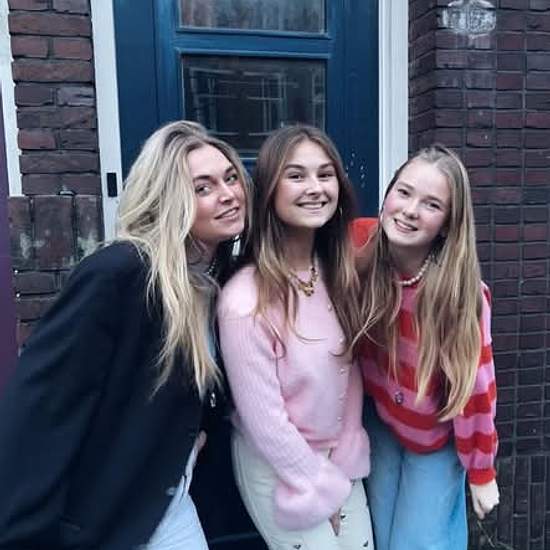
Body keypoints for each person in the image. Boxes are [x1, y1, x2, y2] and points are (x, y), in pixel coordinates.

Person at [0, 120, 249, 549]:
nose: (228, 194)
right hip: (108, 524)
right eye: (203, 188)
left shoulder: (208, 283)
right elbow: (42, 410)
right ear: (167, 200)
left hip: (170, 507)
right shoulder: (121, 273)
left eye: (231, 178)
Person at [217, 124, 374, 550]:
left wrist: (344, 457)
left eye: (325, 174)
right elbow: (265, 422)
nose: (315, 188)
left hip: (337, 459)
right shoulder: (245, 301)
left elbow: (347, 374)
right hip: (279, 465)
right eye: (297, 175)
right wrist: (320, 488)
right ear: (270, 189)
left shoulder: (337, 273)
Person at [353, 144, 499, 550]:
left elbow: (475, 389)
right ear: (387, 195)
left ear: (448, 224)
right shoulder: (361, 249)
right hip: (381, 423)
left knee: (421, 542)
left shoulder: (458, 295)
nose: (410, 210)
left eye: (431, 204)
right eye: (404, 192)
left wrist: (481, 471)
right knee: (381, 532)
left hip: (434, 435)